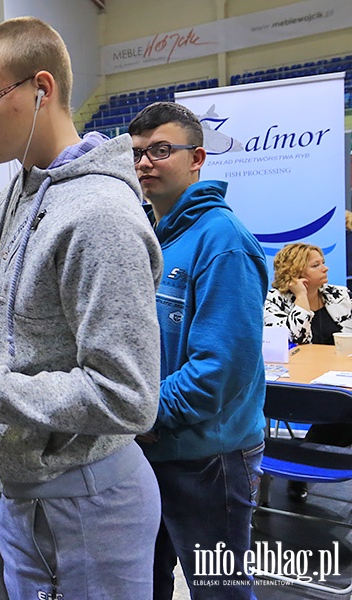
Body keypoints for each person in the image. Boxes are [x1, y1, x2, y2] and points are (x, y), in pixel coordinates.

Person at [0, 17, 163, 599]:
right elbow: (0, 309)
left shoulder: (101, 217)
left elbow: (129, 395)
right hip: (23, 493)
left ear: (41, 89)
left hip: (89, 504)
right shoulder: (20, 187)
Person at [129, 101, 267, 599]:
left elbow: (218, 371)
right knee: (147, 583)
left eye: (161, 150)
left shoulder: (223, 241)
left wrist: (137, 411)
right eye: (138, 152)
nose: (145, 162)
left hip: (210, 457)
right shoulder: (150, 237)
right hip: (150, 447)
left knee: (220, 590)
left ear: (197, 157)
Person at [264, 242, 352, 501]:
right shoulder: (275, 301)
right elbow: (294, 341)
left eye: (322, 262)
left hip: (339, 381)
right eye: (316, 265)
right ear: (298, 273)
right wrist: (301, 299)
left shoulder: (339, 295)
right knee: (343, 411)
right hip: (302, 386)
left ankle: (305, 465)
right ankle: (309, 464)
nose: (325, 268)